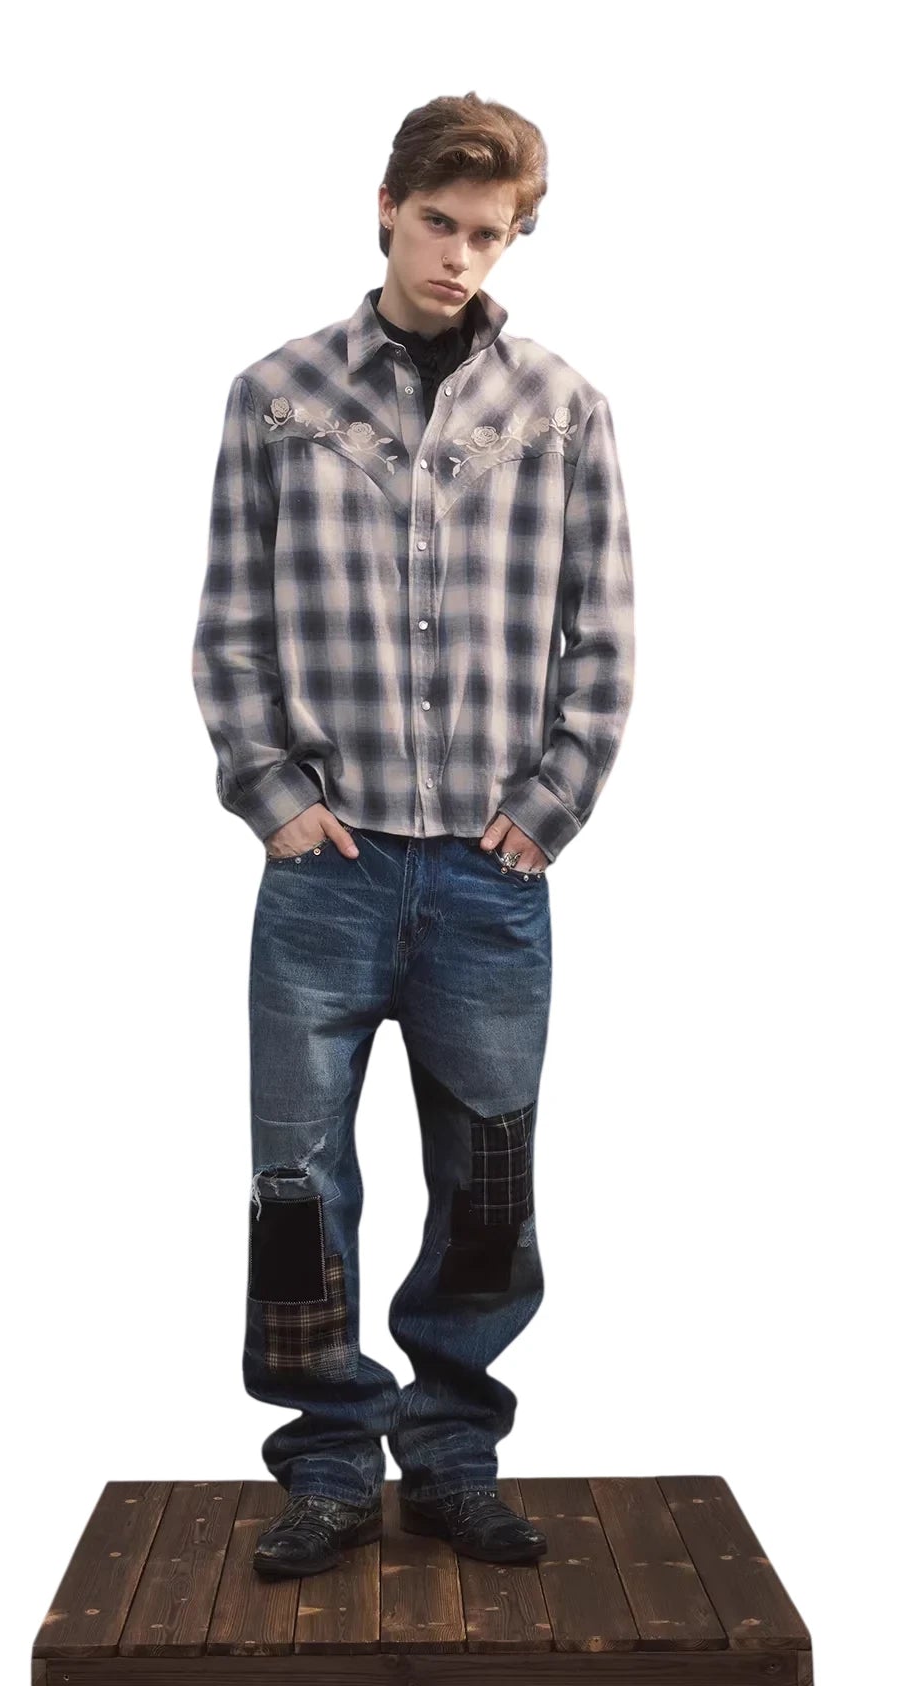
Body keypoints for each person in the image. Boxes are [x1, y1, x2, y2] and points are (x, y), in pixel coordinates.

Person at [191, 91, 636, 1578]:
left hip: (488, 880)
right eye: (437, 223)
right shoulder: (276, 397)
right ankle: (326, 1462)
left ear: (516, 239)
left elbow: (604, 637)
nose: (457, 256)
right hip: (326, 874)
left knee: (487, 1184)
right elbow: (231, 626)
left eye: (487, 234)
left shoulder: (562, 410)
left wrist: (546, 811)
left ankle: (451, 1454)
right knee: (297, 1187)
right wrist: (274, 799)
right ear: (387, 210)